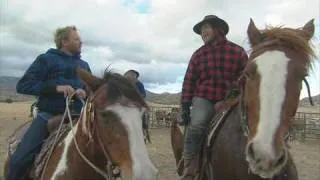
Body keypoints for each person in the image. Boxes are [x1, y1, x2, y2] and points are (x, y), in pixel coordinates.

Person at [6, 25, 92, 180]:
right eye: (77, 39)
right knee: (19, 160)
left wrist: (85, 92)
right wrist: (57, 88)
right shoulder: (46, 59)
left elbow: (91, 91)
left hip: (79, 116)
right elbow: (23, 85)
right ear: (64, 41)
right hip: (49, 116)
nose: (81, 42)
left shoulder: (84, 65)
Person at [178, 15, 249, 179]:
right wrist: (185, 105)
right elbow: (189, 80)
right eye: (201, 30)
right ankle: (189, 163)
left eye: (206, 28)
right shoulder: (198, 55)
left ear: (218, 29)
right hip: (204, 98)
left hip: (230, 99)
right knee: (196, 125)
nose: (203, 32)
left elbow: (245, 77)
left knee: (247, 124)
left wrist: (232, 96)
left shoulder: (237, 51)